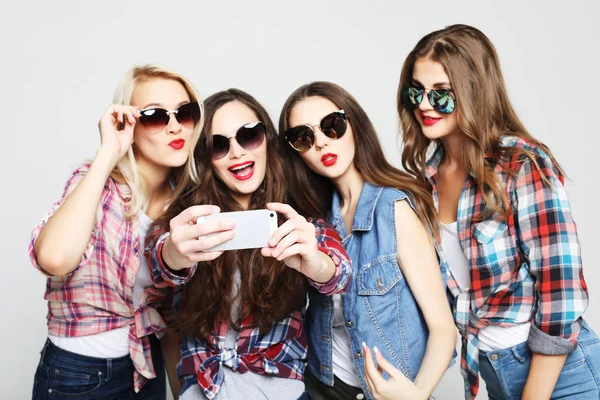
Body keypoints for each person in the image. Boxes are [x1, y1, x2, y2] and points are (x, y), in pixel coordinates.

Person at [397, 24, 600, 399]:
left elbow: (562, 292)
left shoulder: (521, 165)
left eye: (441, 94)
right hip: (490, 371)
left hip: (562, 376)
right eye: (417, 91)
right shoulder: (426, 179)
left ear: (474, 91)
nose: (424, 104)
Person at [148, 88, 352, 400]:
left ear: (268, 139)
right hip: (205, 391)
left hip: (281, 393)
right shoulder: (191, 222)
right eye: (219, 145)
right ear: (206, 158)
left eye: (249, 136)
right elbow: (160, 263)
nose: (237, 152)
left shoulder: (298, 218)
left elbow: (339, 272)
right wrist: (173, 252)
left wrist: (316, 263)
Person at [28, 64, 204, 399]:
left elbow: (169, 317)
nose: (173, 127)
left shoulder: (187, 205)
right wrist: (108, 152)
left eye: (184, 113)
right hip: (77, 373)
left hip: (145, 367)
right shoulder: (96, 185)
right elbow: (54, 258)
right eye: (154, 115)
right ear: (129, 124)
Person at [278, 81, 456, 400]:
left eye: (332, 126)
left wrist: (417, 395)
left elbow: (444, 328)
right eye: (304, 137)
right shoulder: (314, 222)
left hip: (385, 393)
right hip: (321, 385)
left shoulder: (393, 210)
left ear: (354, 125)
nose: (320, 143)